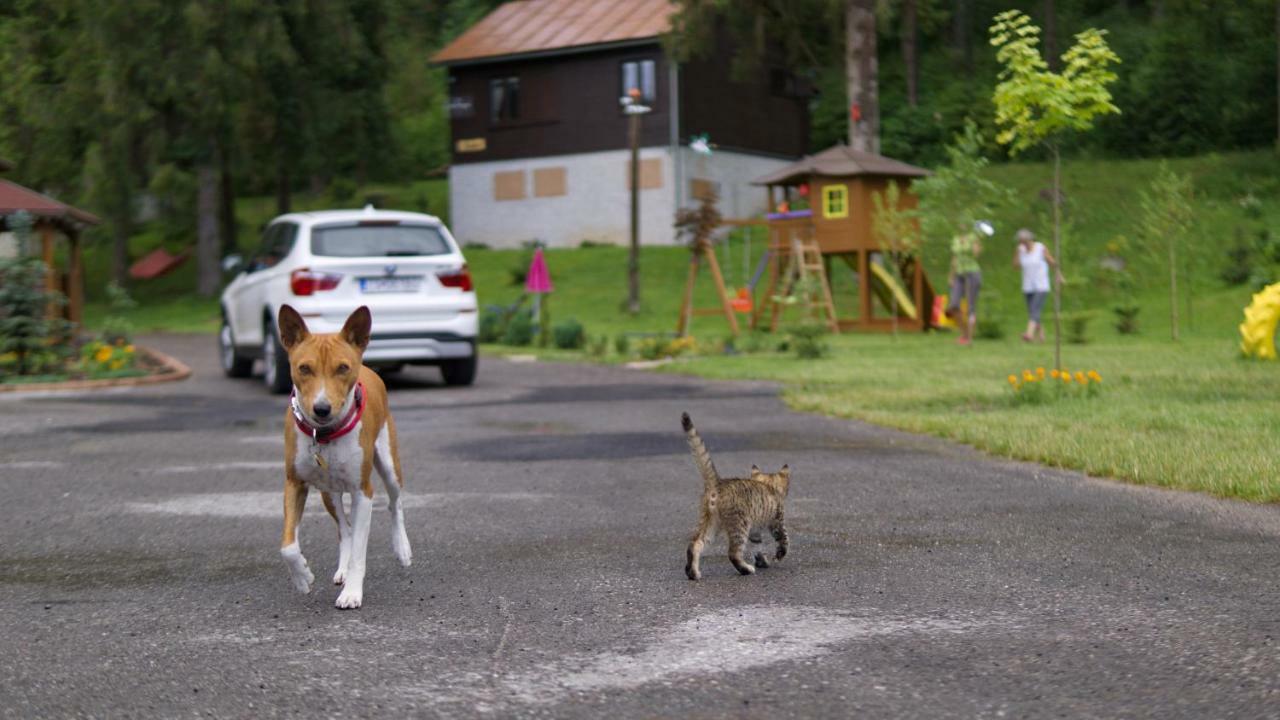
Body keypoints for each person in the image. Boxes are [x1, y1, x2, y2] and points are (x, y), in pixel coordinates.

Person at [947, 222, 989, 345]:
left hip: (972, 273)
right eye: (961, 224)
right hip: (959, 274)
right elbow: (954, 258)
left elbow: (976, 254)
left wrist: (977, 244)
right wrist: (951, 275)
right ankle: (964, 334)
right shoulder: (955, 240)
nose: (962, 226)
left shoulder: (973, 238)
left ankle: (969, 338)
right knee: (953, 305)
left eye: (965, 224)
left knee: (971, 306)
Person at [1012, 228, 1058, 342]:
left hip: (1041, 285)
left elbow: (1052, 262)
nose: (1022, 244)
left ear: (1029, 239)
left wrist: (1058, 275)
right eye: (1020, 242)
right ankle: (1041, 335)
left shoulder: (1040, 248)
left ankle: (1029, 334)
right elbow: (1015, 267)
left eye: (1024, 241)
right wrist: (1017, 253)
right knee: (1033, 311)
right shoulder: (1021, 250)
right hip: (1028, 286)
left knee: (1034, 309)